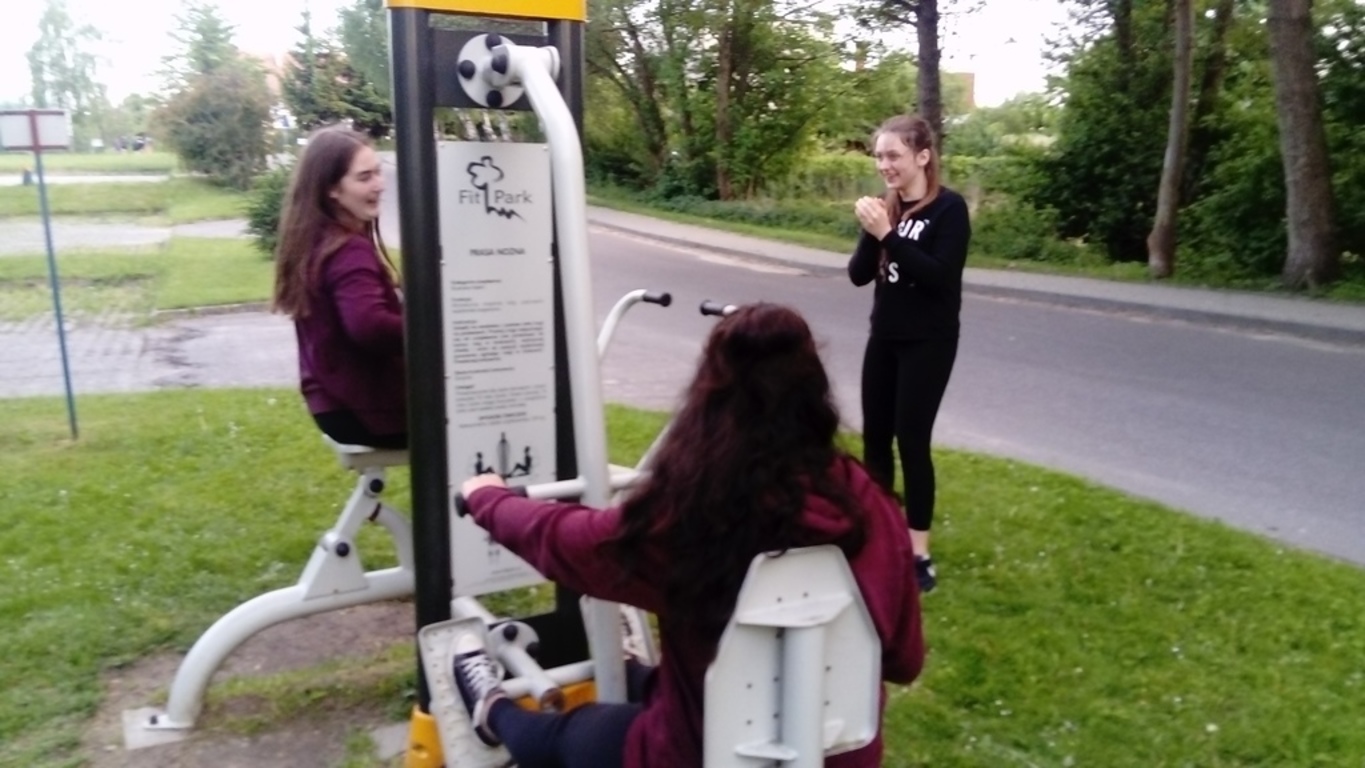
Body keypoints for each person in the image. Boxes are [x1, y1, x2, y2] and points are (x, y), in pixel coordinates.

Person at [453, 303, 924, 768]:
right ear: (815, 393)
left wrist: (488, 499)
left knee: (570, 735)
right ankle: (632, 669)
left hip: (702, 754)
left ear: (711, 398)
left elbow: (568, 540)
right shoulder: (869, 505)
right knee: (673, 680)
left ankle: (491, 710)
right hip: (838, 755)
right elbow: (905, 662)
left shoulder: (696, 514)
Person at [848, 114, 971, 594]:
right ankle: (881, 534)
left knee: (911, 441)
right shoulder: (888, 208)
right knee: (875, 439)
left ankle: (919, 553)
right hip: (884, 337)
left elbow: (938, 276)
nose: (884, 165)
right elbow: (859, 275)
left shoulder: (949, 209)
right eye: (879, 156)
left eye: (893, 155)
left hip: (929, 341)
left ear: (922, 156)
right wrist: (873, 227)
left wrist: (888, 235)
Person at [272, 125, 406, 449]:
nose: (379, 185)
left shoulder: (315, 240)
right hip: (373, 413)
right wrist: (439, 331)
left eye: (378, 172)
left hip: (333, 407)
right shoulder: (348, 249)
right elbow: (369, 326)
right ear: (332, 188)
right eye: (364, 177)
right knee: (489, 414)